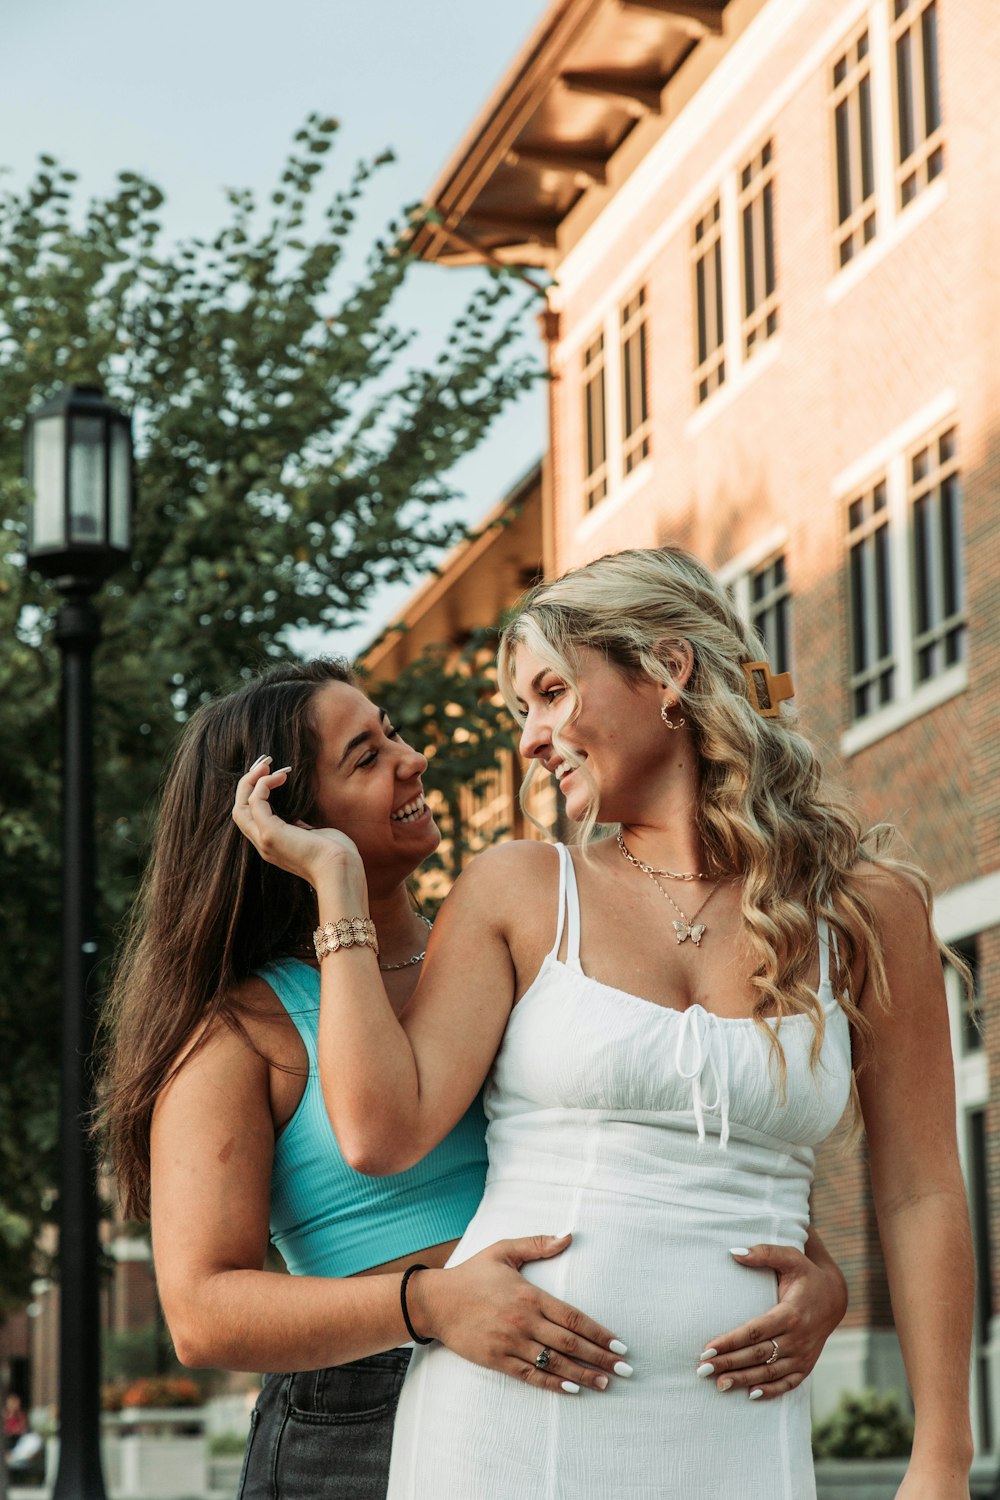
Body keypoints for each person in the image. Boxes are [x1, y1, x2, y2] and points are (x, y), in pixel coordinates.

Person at [235, 548, 974, 1500]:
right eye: (521, 713)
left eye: (549, 692)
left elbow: (921, 1190)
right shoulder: (520, 889)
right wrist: (336, 879)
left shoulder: (863, 909)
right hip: (508, 1431)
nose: (533, 740)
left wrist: (942, 1457)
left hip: (741, 1436)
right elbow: (381, 1133)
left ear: (667, 671)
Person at [98, 656, 847, 1500]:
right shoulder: (241, 1029)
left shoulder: (512, 939)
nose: (412, 757)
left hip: (577, 1400)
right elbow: (202, 1313)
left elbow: (662, 1120)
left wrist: (814, 1271)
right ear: (292, 819)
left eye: (392, 733)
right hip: (357, 1414)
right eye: (366, 757)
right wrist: (434, 1305)